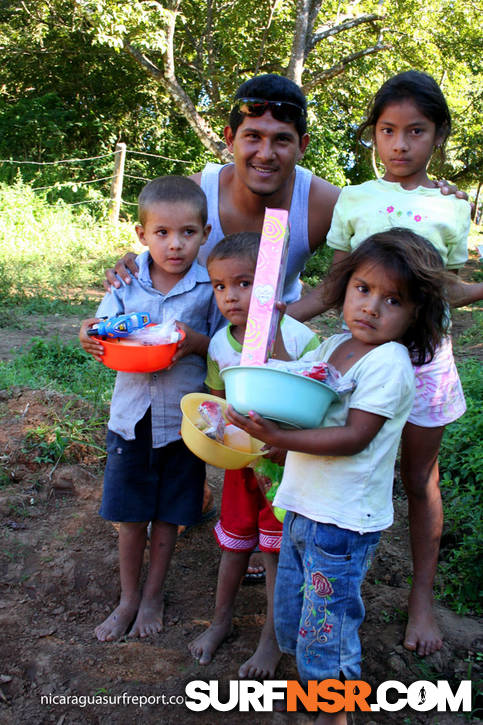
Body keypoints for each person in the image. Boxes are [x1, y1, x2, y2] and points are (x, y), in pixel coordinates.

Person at [103, 71, 470, 619]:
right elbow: (161, 229)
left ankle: (383, 585)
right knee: (232, 443)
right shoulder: (202, 190)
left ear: (301, 145)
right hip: (218, 345)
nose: (265, 152)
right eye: (252, 136)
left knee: (348, 463)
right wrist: (131, 264)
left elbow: (400, 250)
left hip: (301, 345)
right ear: (230, 139)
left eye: (282, 139)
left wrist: (441, 196)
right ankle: (237, 525)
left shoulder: (327, 200)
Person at [289, 71, 482, 657]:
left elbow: (447, 286)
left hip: (425, 363)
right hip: (360, 368)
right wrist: (265, 324)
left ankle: (420, 599)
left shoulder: (452, 207)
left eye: (416, 131)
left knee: (419, 479)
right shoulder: (355, 199)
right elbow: (334, 286)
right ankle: (337, 580)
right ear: (373, 134)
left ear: (438, 136)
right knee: (348, 461)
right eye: (388, 130)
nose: (400, 145)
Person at [227, 230, 451, 724]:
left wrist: (281, 441)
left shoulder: (389, 363)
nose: (371, 307)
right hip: (305, 508)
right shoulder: (333, 345)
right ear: (344, 288)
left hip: (344, 524)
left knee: (325, 636)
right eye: (363, 289)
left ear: (415, 314)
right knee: (294, 620)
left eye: (392, 300)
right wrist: (269, 326)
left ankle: (336, 715)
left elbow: (353, 436)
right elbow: (291, 381)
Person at [79, 176, 224, 641]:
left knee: (169, 516)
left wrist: (193, 341)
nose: (175, 244)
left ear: (204, 233)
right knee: (130, 516)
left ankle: (154, 593)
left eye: (187, 233)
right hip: (130, 421)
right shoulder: (125, 282)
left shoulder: (209, 287)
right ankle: (126, 598)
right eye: (162, 233)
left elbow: (223, 345)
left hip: (184, 425)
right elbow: (100, 328)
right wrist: (89, 333)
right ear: (142, 235)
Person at [189, 232, 320, 678]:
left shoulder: (301, 338)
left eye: (244, 283)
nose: (230, 296)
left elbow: (319, 399)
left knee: (275, 554)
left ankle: (272, 639)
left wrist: (285, 441)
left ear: (271, 283)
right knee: (234, 544)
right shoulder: (219, 344)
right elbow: (217, 403)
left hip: (285, 469)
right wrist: (214, 434)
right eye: (220, 286)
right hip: (240, 467)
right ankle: (221, 620)